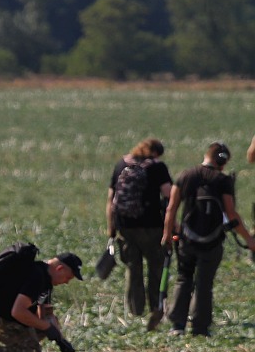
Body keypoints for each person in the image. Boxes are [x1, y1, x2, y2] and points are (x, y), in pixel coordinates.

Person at [162, 142, 255, 337]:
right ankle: (200, 328)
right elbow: (231, 214)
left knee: (183, 278)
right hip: (212, 241)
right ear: (223, 161)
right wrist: (248, 239)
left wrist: (167, 234)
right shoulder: (222, 180)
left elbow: (171, 208)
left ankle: (177, 324)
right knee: (204, 284)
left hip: (187, 239)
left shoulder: (186, 175)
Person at [0, 245, 84, 352]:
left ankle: (22, 348)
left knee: (44, 330)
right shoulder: (36, 277)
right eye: (68, 277)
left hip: (12, 320)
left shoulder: (46, 280)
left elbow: (46, 314)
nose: (67, 282)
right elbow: (18, 311)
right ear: (60, 269)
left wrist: (60, 339)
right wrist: (47, 327)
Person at [105, 138, 172, 328]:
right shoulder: (157, 167)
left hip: (125, 226)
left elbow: (111, 198)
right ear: (156, 153)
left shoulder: (121, 164)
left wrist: (111, 227)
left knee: (133, 269)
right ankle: (156, 308)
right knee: (156, 268)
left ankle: (135, 311)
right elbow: (169, 194)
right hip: (151, 226)